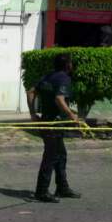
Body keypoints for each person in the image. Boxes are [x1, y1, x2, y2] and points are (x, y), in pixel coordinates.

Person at [26, 53, 81, 203]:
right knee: (51, 156)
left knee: (60, 154)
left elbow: (31, 92)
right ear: (67, 65)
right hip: (53, 125)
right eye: (70, 63)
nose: (72, 65)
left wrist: (32, 114)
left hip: (46, 122)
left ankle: (62, 187)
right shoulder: (64, 78)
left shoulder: (47, 76)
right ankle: (41, 191)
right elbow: (59, 99)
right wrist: (72, 115)